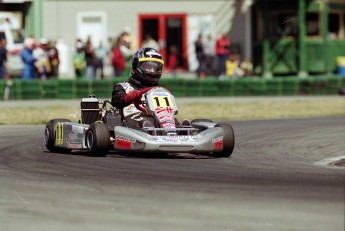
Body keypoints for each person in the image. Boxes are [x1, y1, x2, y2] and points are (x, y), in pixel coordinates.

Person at [111, 47, 164, 129]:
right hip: (130, 124)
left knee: (173, 121)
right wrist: (129, 97)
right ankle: (148, 128)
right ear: (137, 67)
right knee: (135, 124)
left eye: (156, 68)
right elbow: (116, 101)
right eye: (149, 67)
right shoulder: (123, 87)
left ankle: (182, 131)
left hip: (157, 122)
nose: (153, 71)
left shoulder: (158, 91)